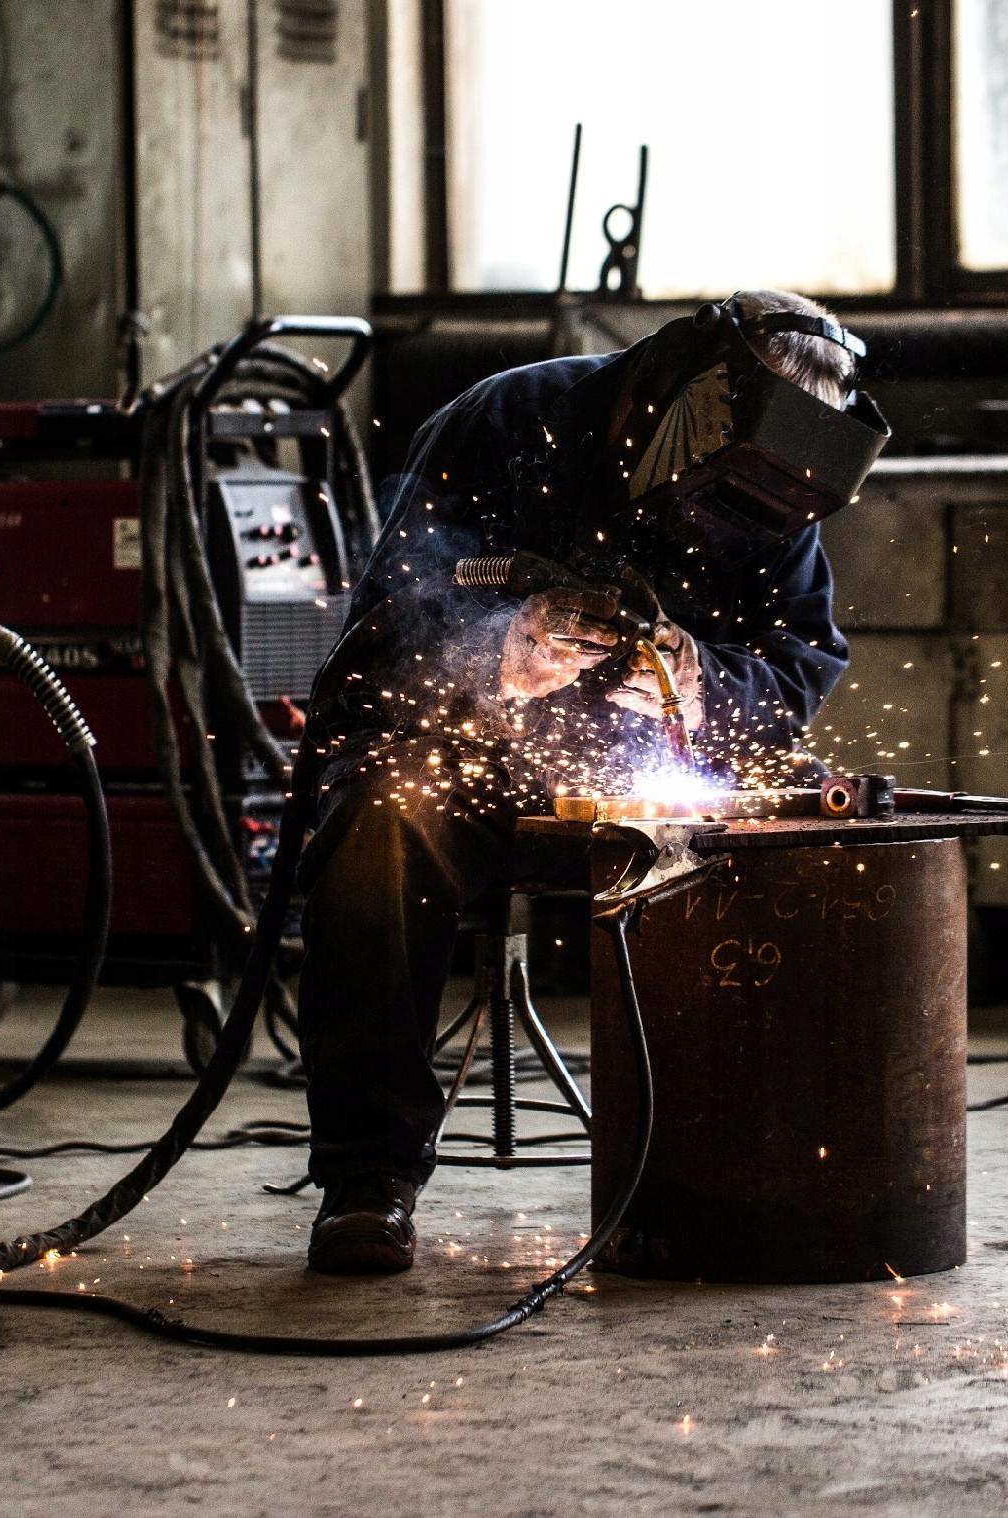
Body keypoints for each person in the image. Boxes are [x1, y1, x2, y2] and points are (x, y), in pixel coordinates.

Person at [296, 289, 870, 1274]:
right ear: (682, 400)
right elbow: (375, 638)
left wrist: (702, 683)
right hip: (475, 768)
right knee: (384, 813)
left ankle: (741, 1166)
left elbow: (797, 668)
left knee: (796, 835)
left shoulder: (787, 485)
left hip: (648, 781)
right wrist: (498, 655)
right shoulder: (504, 421)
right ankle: (367, 1176)